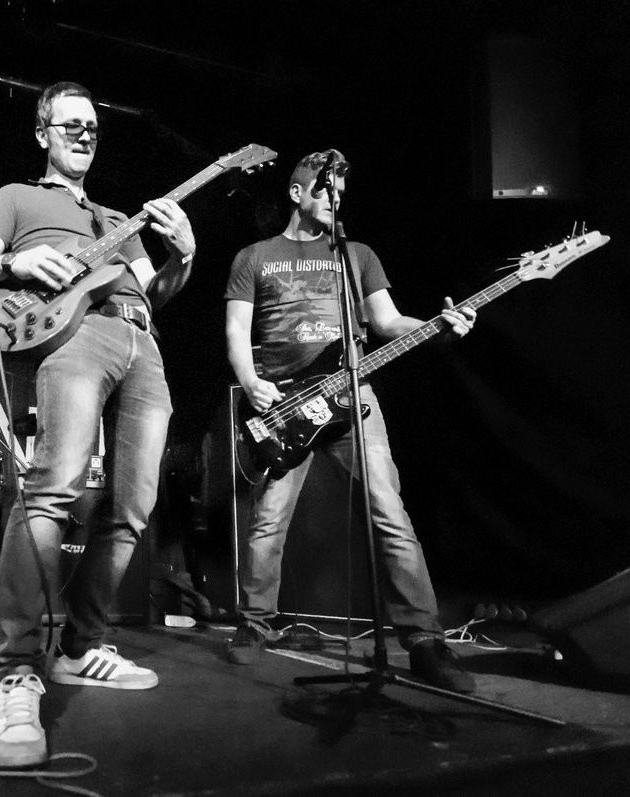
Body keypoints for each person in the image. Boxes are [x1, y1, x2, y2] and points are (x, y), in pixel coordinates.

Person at [0, 81, 196, 767]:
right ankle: (15, 669)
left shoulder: (120, 218)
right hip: (75, 333)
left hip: (143, 343)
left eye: (92, 125)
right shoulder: (16, 197)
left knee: (134, 507)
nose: (84, 134)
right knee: (53, 486)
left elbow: (156, 293)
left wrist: (183, 255)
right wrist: (16, 259)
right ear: (43, 133)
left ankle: (82, 646)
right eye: (70, 125)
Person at [223, 149, 477, 692]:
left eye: (340, 189)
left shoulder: (356, 255)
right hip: (285, 404)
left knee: (390, 513)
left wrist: (437, 326)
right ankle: (254, 623)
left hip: (352, 396)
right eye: (324, 188)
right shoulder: (255, 256)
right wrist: (250, 380)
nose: (334, 197)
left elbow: (387, 321)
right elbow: (237, 329)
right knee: (268, 520)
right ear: (296, 193)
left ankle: (424, 639)